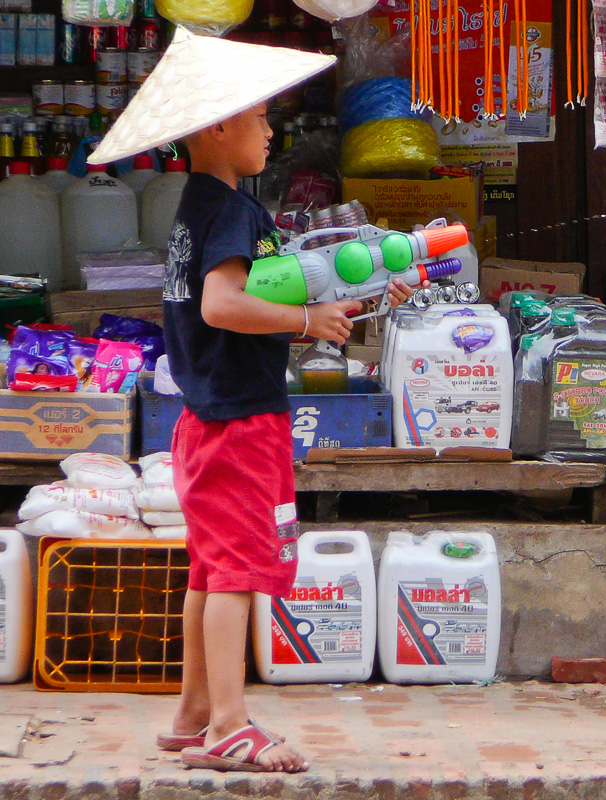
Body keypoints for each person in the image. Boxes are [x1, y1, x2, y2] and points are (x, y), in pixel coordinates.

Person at [87, 29, 420, 772]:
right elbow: (223, 304)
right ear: (217, 127)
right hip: (241, 423)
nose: (271, 131)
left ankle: (194, 714)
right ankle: (232, 725)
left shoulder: (202, 208)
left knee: (211, 570)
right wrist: (308, 324)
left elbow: (285, 287)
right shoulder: (233, 216)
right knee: (237, 569)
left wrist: (358, 295)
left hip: (207, 422)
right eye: (260, 117)